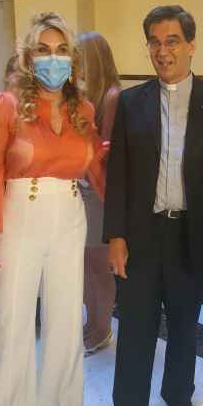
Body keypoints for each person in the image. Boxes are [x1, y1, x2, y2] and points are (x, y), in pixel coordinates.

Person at [0, 12, 107, 406]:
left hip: (70, 218)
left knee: (65, 328)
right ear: (27, 57)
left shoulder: (83, 111)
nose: (53, 59)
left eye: (61, 50)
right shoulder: (4, 107)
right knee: (13, 330)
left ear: (73, 59)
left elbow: (98, 167)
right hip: (20, 218)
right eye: (43, 50)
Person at [104, 5, 203, 406]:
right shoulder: (131, 102)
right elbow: (118, 174)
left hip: (194, 236)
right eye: (154, 42)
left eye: (172, 41)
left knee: (185, 326)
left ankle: (179, 397)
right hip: (141, 238)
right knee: (136, 330)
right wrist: (116, 236)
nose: (162, 51)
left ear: (190, 45)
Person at [77, 31, 120, 354]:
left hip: (98, 192)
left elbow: (107, 149)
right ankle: (92, 322)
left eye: (78, 57)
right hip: (80, 188)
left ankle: (101, 327)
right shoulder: (88, 93)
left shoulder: (112, 95)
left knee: (97, 266)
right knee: (84, 265)